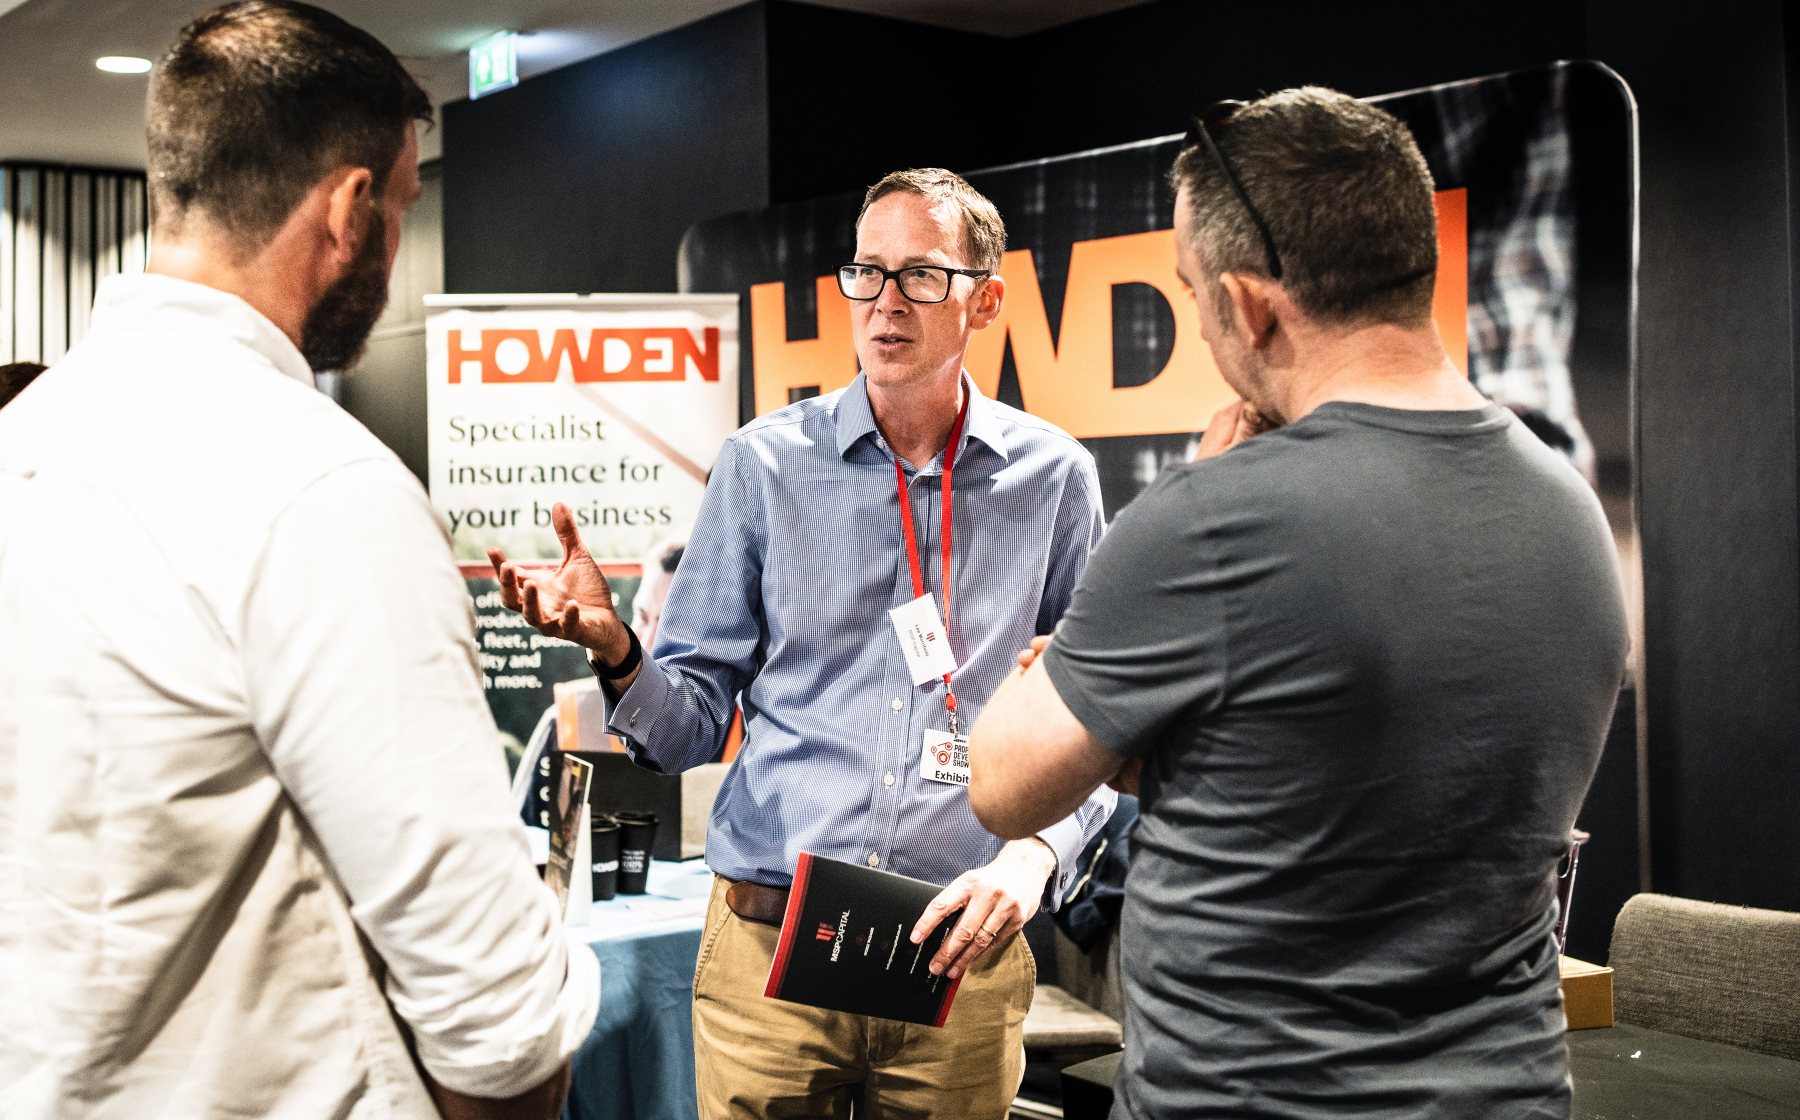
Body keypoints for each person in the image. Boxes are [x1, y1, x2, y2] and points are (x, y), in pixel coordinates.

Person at [968, 88, 1628, 1119]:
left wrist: (1105, 687)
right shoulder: (1570, 508)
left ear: (1249, 305)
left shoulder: (1212, 518)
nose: (1201, 324)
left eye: (1192, 294)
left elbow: (1003, 786)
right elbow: (1357, 766)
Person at [0, 1, 597, 1120]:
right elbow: (494, 1020)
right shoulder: (322, 489)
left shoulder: (23, 440)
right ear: (348, 208)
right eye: (401, 208)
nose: (393, 247)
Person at [488, 168, 1115, 1117]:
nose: (886, 301)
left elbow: (1095, 719)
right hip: (771, 955)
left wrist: (1035, 856)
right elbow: (686, 731)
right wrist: (619, 653)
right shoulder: (763, 465)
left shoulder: (1053, 478)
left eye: (922, 275)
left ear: (985, 301)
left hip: (958, 958)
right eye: (867, 272)